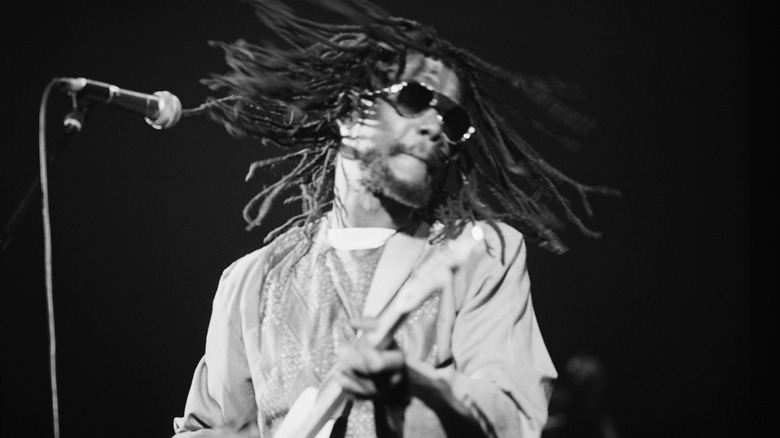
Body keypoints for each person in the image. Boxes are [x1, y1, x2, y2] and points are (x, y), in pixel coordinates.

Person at [172, 1, 617, 437]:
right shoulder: (253, 280)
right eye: (414, 98)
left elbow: (513, 421)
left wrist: (415, 386)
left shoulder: (483, 254)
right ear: (348, 112)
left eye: (452, 118)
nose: (435, 126)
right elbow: (209, 429)